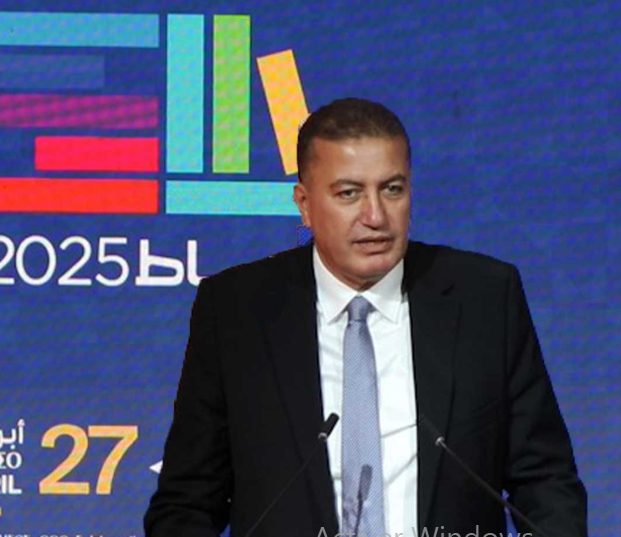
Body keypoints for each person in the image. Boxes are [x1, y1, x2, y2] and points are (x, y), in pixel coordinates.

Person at [144, 98, 587, 537]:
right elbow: (185, 505)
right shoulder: (236, 311)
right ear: (304, 204)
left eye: (392, 189)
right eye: (349, 194)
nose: (375, 216)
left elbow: (546, 483)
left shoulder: (484, 298)